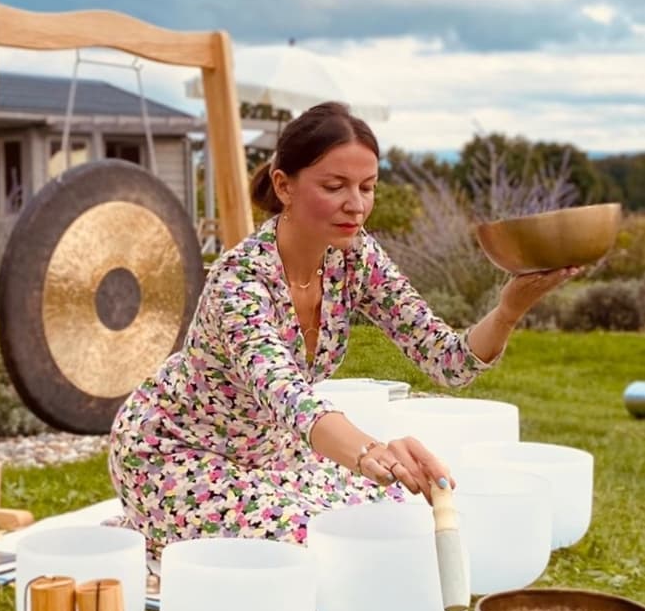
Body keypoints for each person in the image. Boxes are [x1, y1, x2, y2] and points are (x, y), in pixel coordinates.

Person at [109, 102, 575, 557]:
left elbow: (448, 360)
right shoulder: (239, 281)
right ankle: (156, 523)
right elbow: (289, 395)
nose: (356, 205)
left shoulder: (355, 257)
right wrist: (371, 451)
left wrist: (509, 309)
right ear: (284, 186)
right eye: (335, 186)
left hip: (274, 456)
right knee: (321, 549)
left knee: (396, 521)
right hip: (176, 452)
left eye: (367, 187)